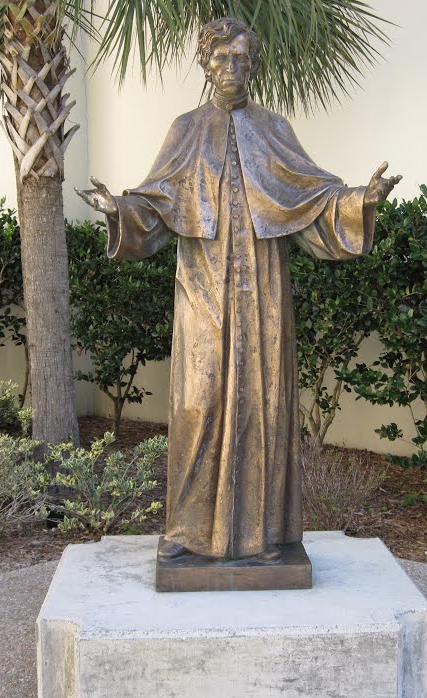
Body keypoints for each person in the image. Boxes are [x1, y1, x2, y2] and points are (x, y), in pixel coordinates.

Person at [77, 17, 401, 564]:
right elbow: (155, 204)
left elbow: (314, 198)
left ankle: (264, 535)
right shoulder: (185, 129)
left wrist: (360, 201)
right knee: (197, 403)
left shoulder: (274, 129)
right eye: (223, 60)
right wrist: (119, 210)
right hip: (202, 285)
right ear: (206, 65)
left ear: (253, 67)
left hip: (264, 290)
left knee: (263, 404)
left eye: (242, 61)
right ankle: (185, 531)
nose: (233, 70)